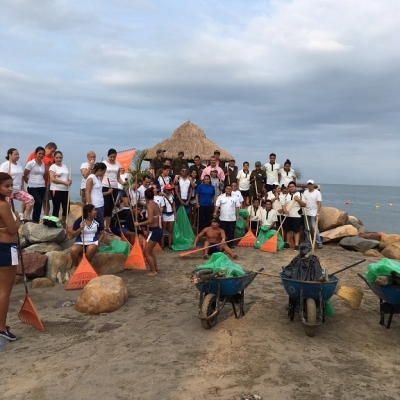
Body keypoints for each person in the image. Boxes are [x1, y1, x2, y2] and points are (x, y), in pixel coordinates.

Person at [0, 172, 21, 341]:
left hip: (4, 247)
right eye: (6, 186)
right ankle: (1, 328)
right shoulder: (3, 205)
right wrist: (19, 219)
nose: (10, 189)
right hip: (7, 248)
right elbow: (13, 229)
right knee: (5, 291)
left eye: (11, 185)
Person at [134, 187, 163, 276]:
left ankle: (153, 271)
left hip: (155, 231)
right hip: (156, 230)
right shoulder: (154, 204)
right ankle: (155, 267)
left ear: (145, 197)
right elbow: (148, 206)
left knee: (146, 252)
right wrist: (139, 202)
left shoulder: (150, 206)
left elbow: (150, 220)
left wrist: (138, 224)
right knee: (150, 251)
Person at [0, 148, 34, 221]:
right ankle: (8, 222)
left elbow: (21, 176)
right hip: (7, 191)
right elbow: (1, 178)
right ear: (10, 155)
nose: (18, 156)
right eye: (15, 154)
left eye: (18, 154)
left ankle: (27, 218)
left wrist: (23, 187)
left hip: (17, 190)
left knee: (30, 199)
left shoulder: (18, 165)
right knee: (8, 208)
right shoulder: (5, 165)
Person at [26, 142, 57, 216]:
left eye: (53, 151)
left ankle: (45, 217)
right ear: (47, 148)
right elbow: (27, 167)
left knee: (45, 201)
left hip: (46, 182)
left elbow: (53, 169)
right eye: (51, 151)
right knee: (31, 199)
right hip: (33, 183)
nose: (52, 153)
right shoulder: (34, 154)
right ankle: (26, 216)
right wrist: (27, 179)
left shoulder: (52, 158)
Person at [102, 149, 126, 232]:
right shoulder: (104, 163)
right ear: (108, 156)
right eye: (111, 157)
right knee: (105, 206)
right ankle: (102, 225)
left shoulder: (118, 164)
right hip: (105, 185)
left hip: (114, 187)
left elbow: (118, 177)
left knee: (111, 207)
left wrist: (123, 183)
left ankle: (107, 227)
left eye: (114, 157)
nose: (113, 158)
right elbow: (100, 175)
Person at [49, 151, 72, 228]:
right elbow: (52, 179)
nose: (59, 159)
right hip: (55, 189)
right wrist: (64, 182)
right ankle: (54, 223)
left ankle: (63, 221)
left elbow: (67, 178)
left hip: (65, 190)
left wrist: (69, 181)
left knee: (66, 207)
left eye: (60, 157)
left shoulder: (65, 166)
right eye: (57, 158)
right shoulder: (53, 167)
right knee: (56, 207)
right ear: (54, 158)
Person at [23, 147, 46, 223]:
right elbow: (25, 174)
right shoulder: (31, 163)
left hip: (42, 186)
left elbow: (43, 175)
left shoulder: (43, 164)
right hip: (32, 186)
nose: (41, 155)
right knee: (38, 201)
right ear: (35, 154)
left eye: (43, 154)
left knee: (39, 204)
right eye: (39, 153)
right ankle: (33, 219)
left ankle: (36, 220)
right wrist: (27, 182)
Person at [281, 181, 306, 251]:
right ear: (288, 188)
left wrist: (298, 200)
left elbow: (304, 205)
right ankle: (288, 243)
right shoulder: (286, 195)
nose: (291, 188)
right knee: (288, 230)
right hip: (287, 215)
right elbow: (283, 205)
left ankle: (296, 245)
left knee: (296, 231)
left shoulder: (300, 194)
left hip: (296, 215)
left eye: (293, 186)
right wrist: (285, 210)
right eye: (290, 187)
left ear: (295, 187)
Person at [303, 179, 323, 249]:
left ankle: (319, 242)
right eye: (308, 184)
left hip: (314, 213)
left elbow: (319, 203)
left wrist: (318, 213)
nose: (310, 185)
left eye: (311, 184)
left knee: (314, 228)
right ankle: (307, 242)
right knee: (306, 228)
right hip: (306, 212)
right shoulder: (305, 192)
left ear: (313, 185)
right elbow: (303, 201)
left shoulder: (317, 192)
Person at [161, 184, 176, 249]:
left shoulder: (172, 197)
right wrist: (161, 216)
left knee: (170, 230)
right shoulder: (162, 197)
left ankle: (169, 245)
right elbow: (162, 207)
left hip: (171, 214)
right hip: (164, 214)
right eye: (169, 190)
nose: (170, 191)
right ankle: (162, 245)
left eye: (170, 190)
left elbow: (174, 206)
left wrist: (175, 215)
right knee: (163, 230)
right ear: (165, 190)